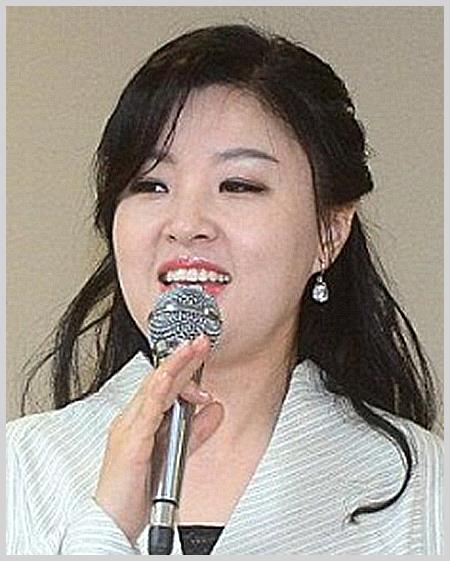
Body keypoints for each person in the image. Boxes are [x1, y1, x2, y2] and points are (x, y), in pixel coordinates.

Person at [6, 23, 442, 555]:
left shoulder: (421, 488)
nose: (186, 224)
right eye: (151, 184)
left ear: (329, 232)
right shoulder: (23, 467)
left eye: (238, 185)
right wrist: (106, 527)